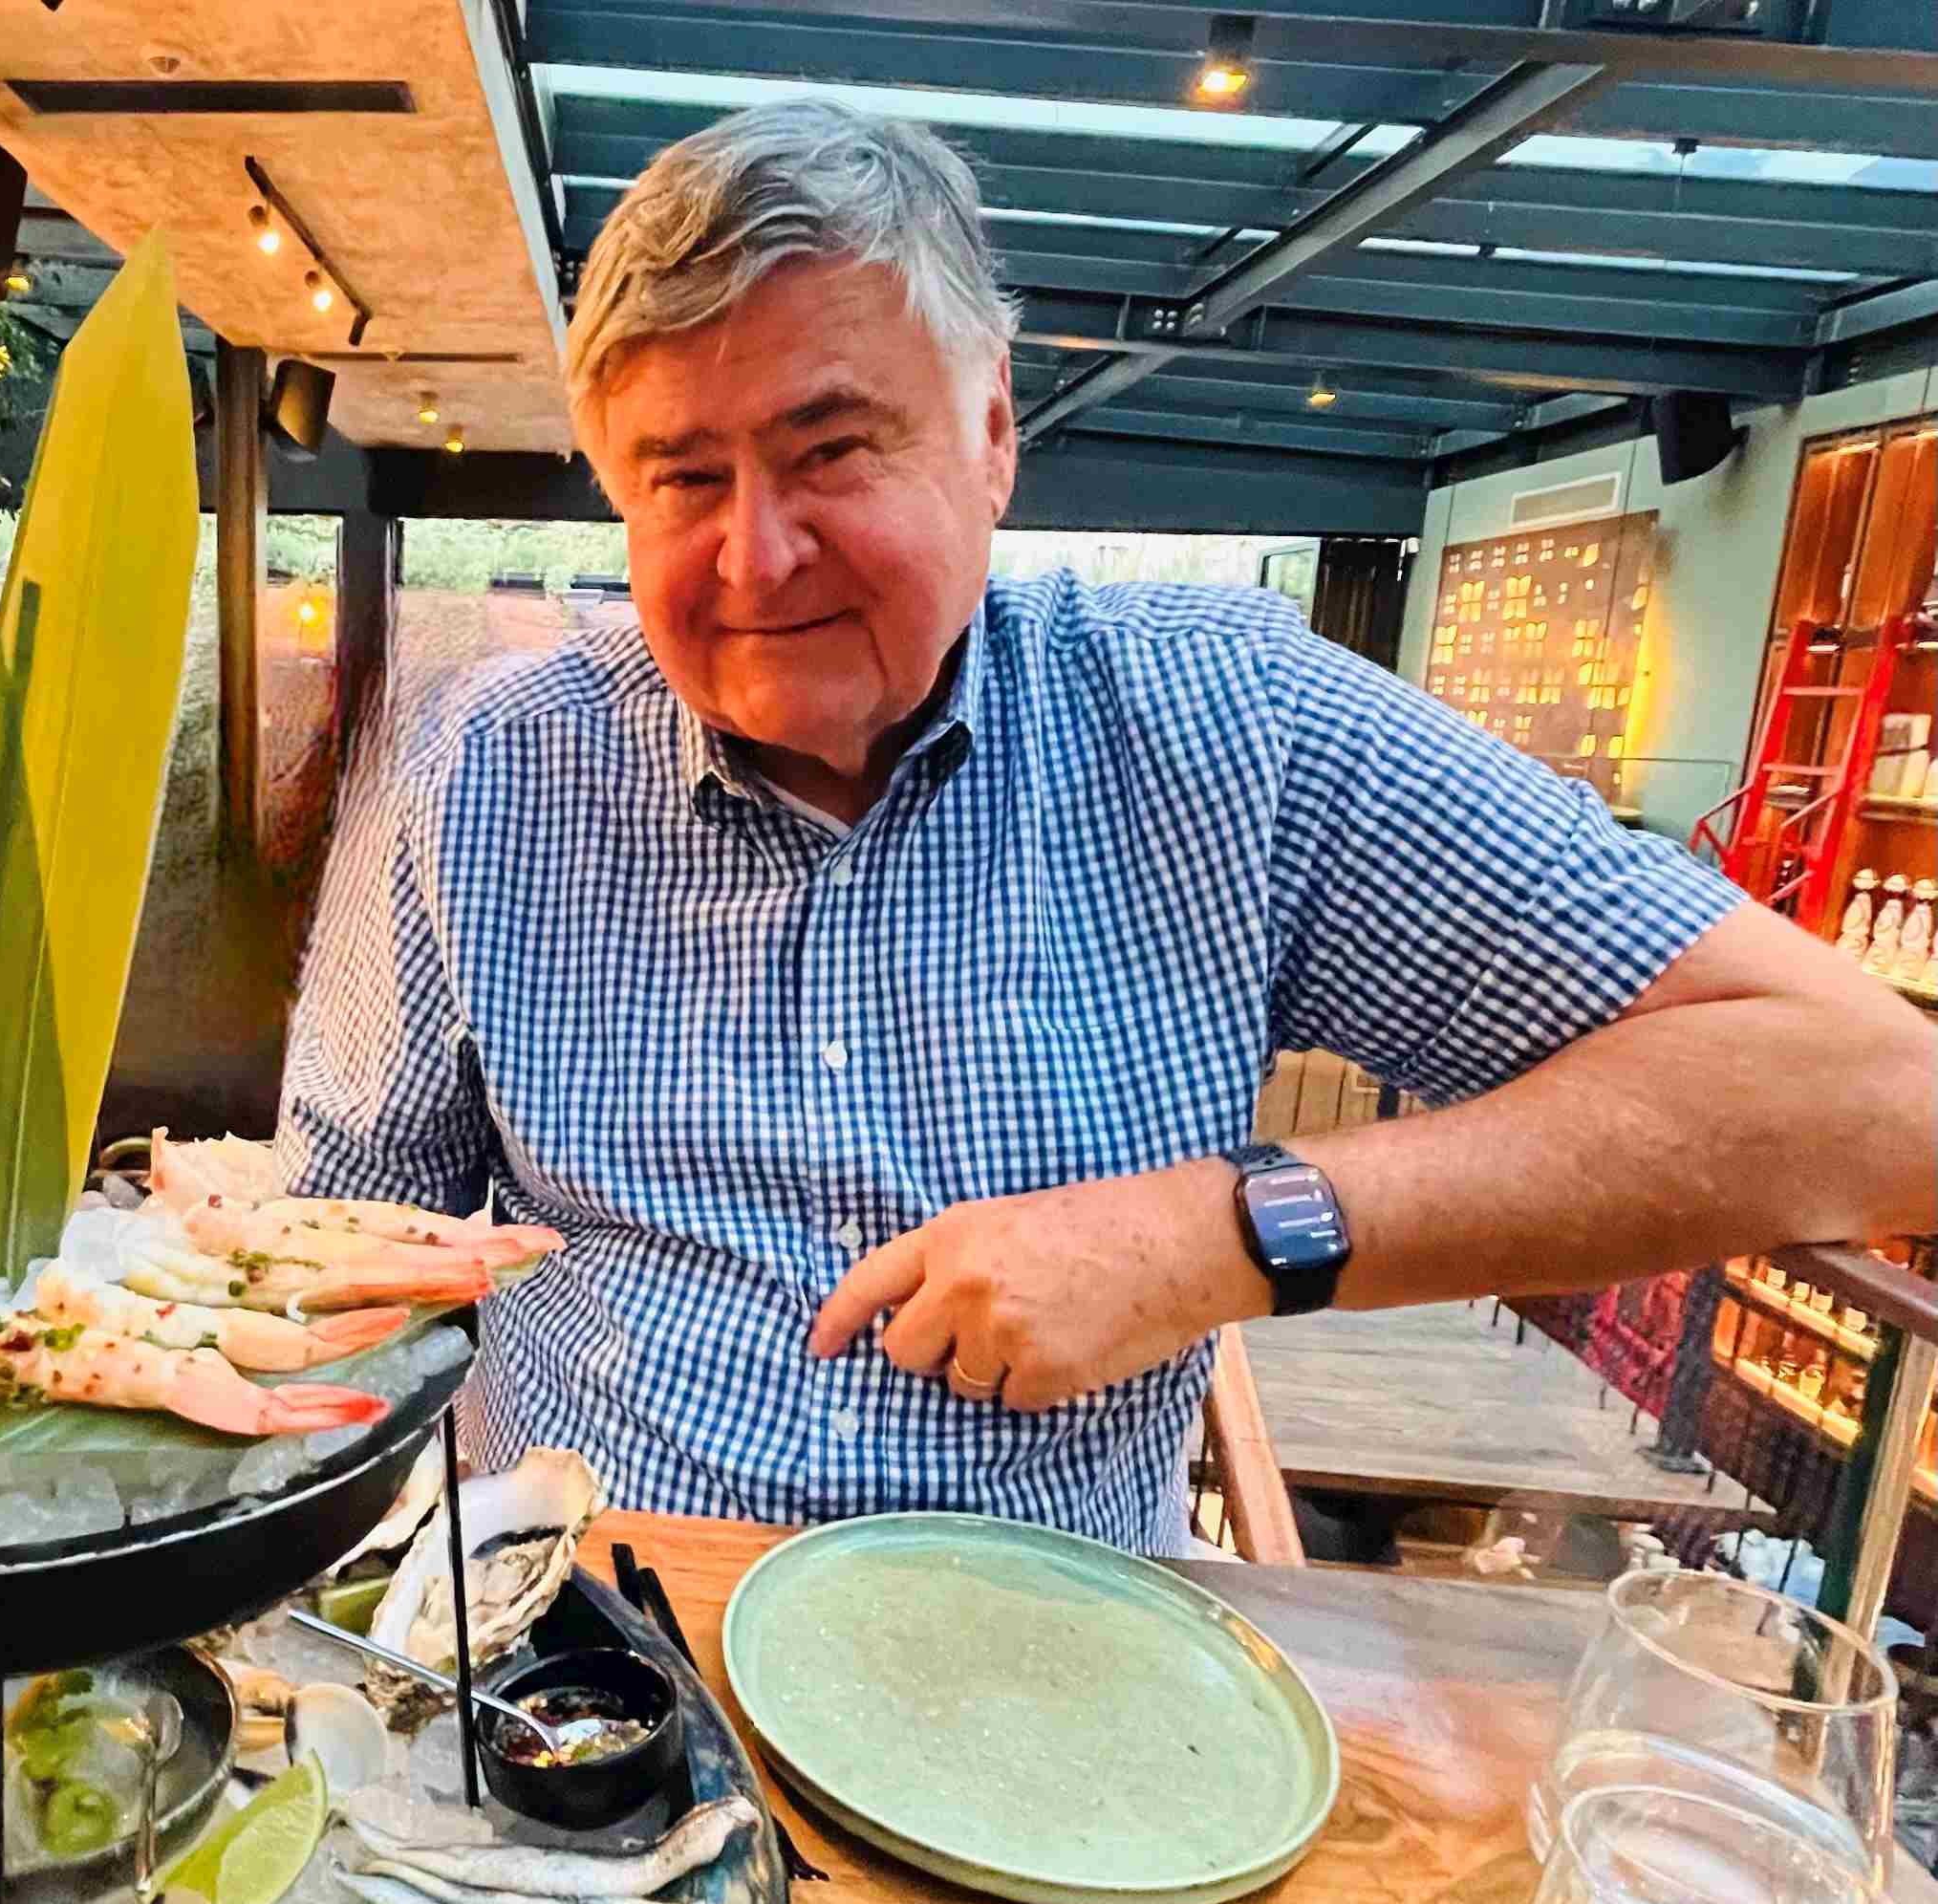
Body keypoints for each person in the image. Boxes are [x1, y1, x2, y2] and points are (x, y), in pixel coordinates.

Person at [275, 99, 1936, 1547]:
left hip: (1059, 1699)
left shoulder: (1228, 725)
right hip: (597, 1651)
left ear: (994, 434)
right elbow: (327, 1263)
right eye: (681, 479)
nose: (753, 555)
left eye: (830, 446)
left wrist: (1228, 1230)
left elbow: (1874, 1094)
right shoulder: (482, 770)